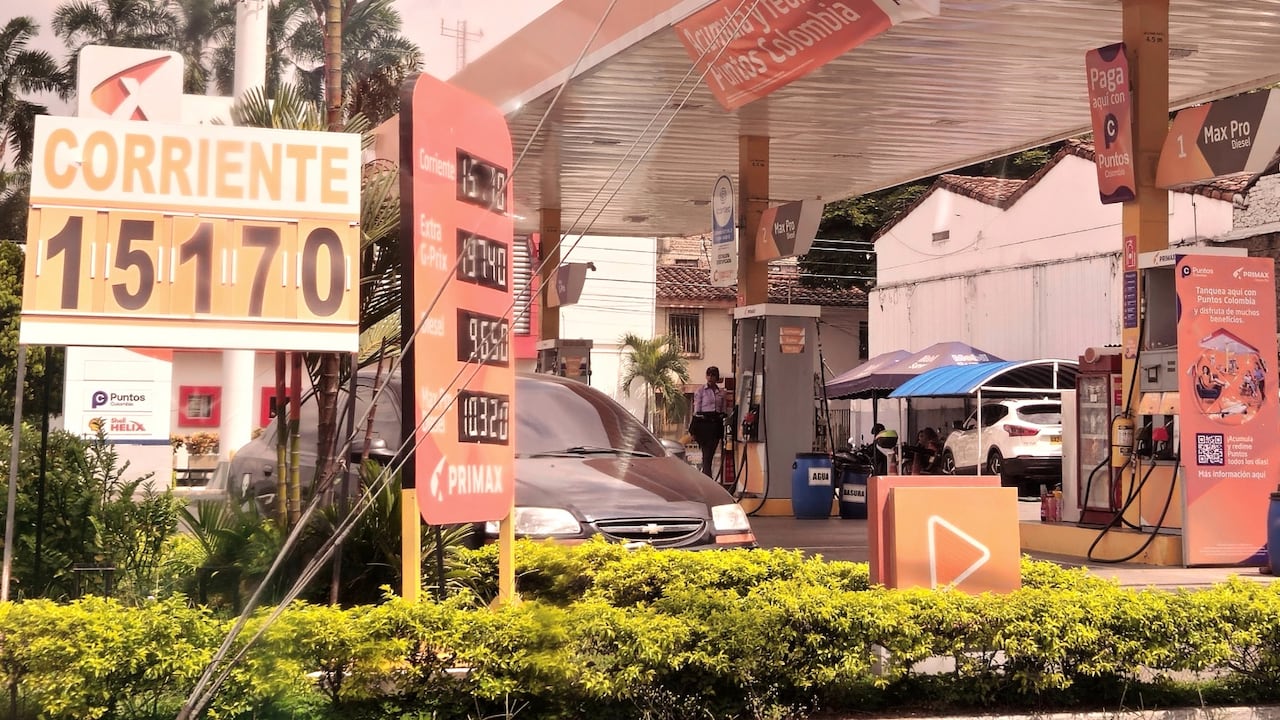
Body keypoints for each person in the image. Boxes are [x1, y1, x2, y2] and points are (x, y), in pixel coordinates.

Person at [688, 366, 727, 477]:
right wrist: (694, 429)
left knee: (710, 454)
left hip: (715, 424)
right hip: (703, 424)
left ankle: (706, 476)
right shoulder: (701, 391)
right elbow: (697, 410)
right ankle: (707, 477)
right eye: (708, 375)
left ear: (717, 377)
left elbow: (723, 410)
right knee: (707, 455)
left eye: (713, 375)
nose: (710, 377)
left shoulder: (721, 393)